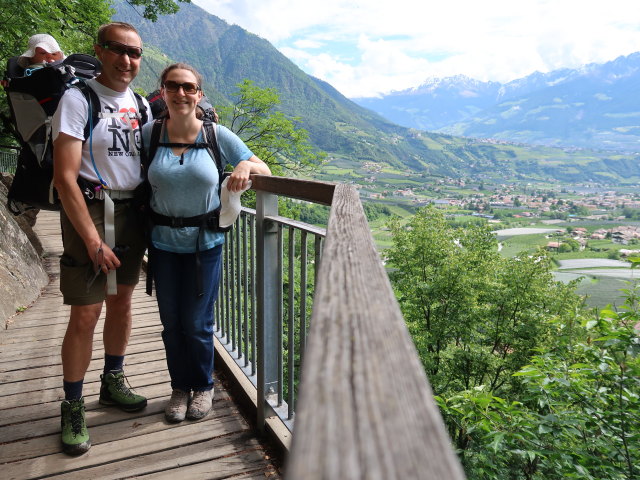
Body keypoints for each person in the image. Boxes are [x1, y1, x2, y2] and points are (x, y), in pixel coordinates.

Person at [142, 63, 271, 423]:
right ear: (163, 91)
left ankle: (202, 385)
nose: (180, 93)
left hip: (205, 245)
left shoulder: (217, 135)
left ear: (199, 94)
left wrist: (244, 166)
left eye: (188, 88)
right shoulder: (150, 133)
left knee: (197, 323)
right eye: (173, 86)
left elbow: (264, 170)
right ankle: (179, 386)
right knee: (171, 322)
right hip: (162, 244)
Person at [52, 22, 151, 455]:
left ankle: (112, 380)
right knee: (86, 314)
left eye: (134, 53)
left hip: (132, 212)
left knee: (123, 301)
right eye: (118, 50)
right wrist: (92, 239)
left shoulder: (143, 105)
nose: (126, 60)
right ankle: (72, 405)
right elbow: (64, 177)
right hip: (90, 209)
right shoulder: (77, 99)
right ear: (99, 51)